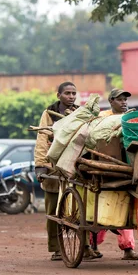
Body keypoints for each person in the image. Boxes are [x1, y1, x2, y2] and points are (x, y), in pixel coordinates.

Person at [87, 88, 138, 261]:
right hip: (108, 165)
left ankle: (128, 249)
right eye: (120, 99)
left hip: (129, 165)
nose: (124, 102)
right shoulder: (104, 117)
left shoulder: (132, 118)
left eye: (125, 99)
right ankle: (91, 243)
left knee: (126, 207)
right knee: (104, 210)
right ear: (111, 101)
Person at [34, 82, 79, 261]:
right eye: (67, 93)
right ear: (58, 95)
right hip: (53, 168)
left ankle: (86, 246)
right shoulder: (49, 113)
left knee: (81, 211)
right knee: (53, 210)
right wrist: (40, 165)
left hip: (75, 167)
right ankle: (56, 248)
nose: (71, 97)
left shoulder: (79, 112)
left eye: (74, 93)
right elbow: (42, 138)